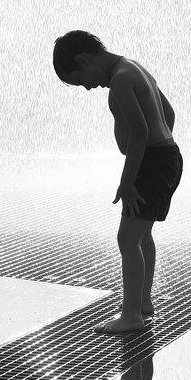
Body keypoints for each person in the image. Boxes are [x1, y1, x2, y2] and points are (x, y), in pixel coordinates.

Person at [52, 29, 182, 334]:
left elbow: (139, 133)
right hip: (167, 157)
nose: (87, 88)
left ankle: (131, 315)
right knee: (142, 235)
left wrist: (128, 182)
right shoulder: (133, 67)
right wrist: (162, 143)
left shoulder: (121, 80)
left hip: (152, 162)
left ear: (84, 60)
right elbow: (169, 114)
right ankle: (143, 303)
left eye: (80, 80)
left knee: (127, 239)